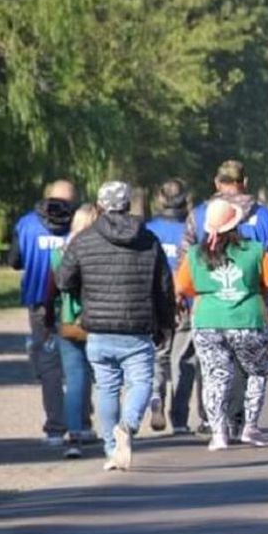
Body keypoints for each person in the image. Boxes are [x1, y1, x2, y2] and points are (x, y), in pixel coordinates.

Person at [56, 182, 175, 471]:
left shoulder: (83, 240)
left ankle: (112, 450)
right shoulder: (148, 239)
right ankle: (129, 425)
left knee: (107, 388)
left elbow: (63, 280)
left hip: (98, 327)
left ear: (98, 206)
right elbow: (163, 288)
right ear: (127, 206)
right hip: (137, 328)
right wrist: (165, 324)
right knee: (142, 382)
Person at [176, 198, 268, 451]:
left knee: (215, 377)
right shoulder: (255, 251)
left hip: (207, 322)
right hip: (249, 320)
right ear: (236, 224)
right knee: (256, 372)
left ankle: (218, 433)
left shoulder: (194, 254)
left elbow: (181, 287)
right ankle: (250, 427)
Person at [10, 180, 77, 446]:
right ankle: (81, 423)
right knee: (77, 364)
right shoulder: (80, 224)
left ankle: (55, 428)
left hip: (39, 302)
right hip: (75, 304)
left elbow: (15, 261)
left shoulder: (26, 224)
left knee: (49, 365)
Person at [145, 179, 196, 435]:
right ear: (185, 199)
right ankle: (180, 418)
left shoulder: (148, 229)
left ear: (160, 198)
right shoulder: (192, 230)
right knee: (184, 360)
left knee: (158, 356)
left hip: (155, 302)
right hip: (186, 302)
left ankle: (156, 397)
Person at [48, 203, 98, 459]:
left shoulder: (60, 253)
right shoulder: (99, 253)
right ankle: (116, 432)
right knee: (109, 378)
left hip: (69, 321)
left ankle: (74, 434)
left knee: (75, 380)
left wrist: (49, 319)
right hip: (99, 321)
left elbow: (52, 290)